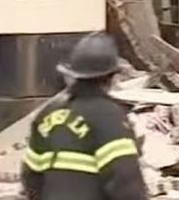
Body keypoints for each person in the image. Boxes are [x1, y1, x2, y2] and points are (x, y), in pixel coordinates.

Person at [21, 32, 147, 200]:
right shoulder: (109, 116)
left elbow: (31, 176)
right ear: (111, 77)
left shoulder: (47, 114)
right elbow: (125, 181)